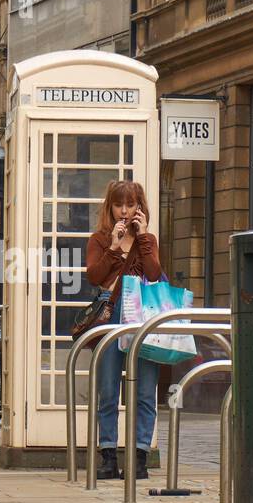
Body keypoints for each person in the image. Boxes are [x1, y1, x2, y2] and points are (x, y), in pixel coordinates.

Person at [85, 180, 161, 481]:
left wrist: (141, 236)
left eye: (131, 205)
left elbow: (154, 273)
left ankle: (140, 457)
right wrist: (114, 248)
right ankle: (107, 457)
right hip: (111, 314)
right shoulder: (100, 240)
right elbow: (95, 276)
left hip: (143, 316)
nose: (125, 211)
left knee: (144, 391)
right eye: (120, 205)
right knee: (107, 390)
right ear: (110, 207)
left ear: (140, 207)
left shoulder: (148, 240)